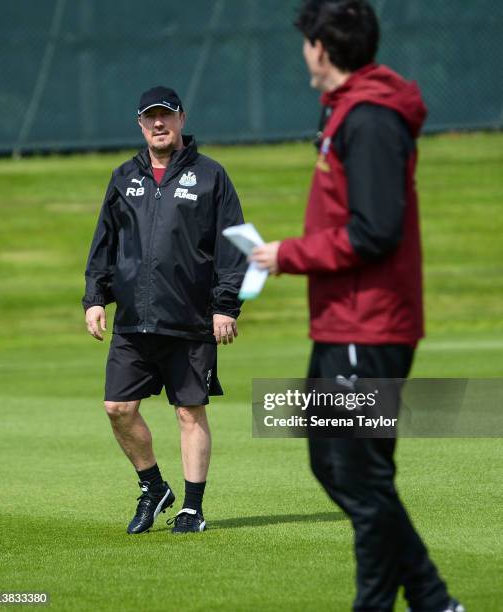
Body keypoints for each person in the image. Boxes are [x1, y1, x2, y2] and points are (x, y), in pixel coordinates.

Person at [251, 2, 465, 611]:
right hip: (344, 323)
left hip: (368, 326)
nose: (303, 55)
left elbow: (376, 231)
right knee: (334, 465)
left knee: (361, 478)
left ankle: (396, 603)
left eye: (305, 43)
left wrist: (286, 254)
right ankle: (432, 598)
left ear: (321, 46)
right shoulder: (350, 112)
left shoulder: (369, 120)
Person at [82, 86, 245, 535]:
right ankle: (154, 487)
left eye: (166, 116)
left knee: (190, 412)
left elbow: (238, 246)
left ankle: (192, 508)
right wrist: (95, 298)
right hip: (134, 322)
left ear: (181, 119)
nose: (159, 123)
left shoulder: (211, 176)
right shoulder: (122, 177)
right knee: (117, 407)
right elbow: (104, 244)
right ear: (140, 124)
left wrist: (226, 306)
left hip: (191, 320)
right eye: (150, 117)